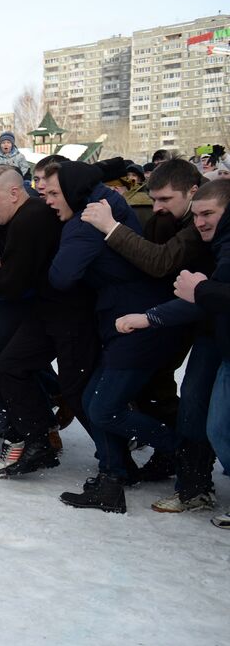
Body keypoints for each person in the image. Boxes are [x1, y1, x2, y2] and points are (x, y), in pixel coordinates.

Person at [42, 161, 177, 513]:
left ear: (73, 191)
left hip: (137, 323)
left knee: (102, 407)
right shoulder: (101, 202)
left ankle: (182, 448)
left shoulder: (85, 221)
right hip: (126, 319)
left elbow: (62, 275)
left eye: (55, 193)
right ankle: (113, 476)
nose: (48, 200)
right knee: (93, 399)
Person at [82, 158, 216, 511]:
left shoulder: (198, 223)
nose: (156, 208)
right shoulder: (169, 217)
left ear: (193, 191)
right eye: (153, 199)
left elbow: (158, 262)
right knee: (156, 391)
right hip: (168, 317)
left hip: (190, 321)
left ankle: (189, 466)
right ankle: (172, 458)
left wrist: (111, 227)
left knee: (193, 402)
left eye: (165, 200)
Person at [111, 179, 228, 520]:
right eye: (197, 216)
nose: (201, 221)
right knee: (193, 407)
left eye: (208, 213)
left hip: (211, 330)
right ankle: (193, 488)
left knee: (220, 423)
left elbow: (164, 265)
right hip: (210, 333)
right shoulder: (192, 229)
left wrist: (151, 317)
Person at [0, 166, 66, 476]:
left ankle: (28, 436)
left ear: (15, 193)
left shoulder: (31, 219)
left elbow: (9, 285)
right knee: (11, 366)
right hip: (44, 307)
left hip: (59, 309)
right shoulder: (20, 217)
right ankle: (37, 436)